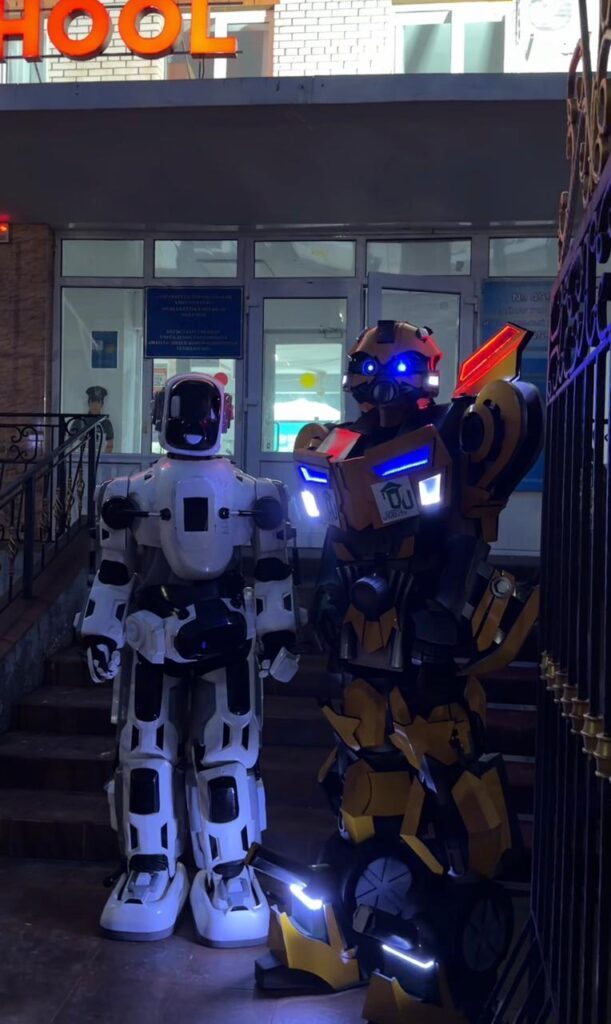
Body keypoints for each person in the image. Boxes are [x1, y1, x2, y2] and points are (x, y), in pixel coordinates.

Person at [251, 320, 543, 1023]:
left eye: (400, 369)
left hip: (427, 625)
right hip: (359, 627)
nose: (383, 383)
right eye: (371, 368)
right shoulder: (333, 443)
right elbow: (334, 536)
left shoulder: (461, 431)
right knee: (361, 765)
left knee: (445, 761)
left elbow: (468, 530)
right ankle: (346, 940)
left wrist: (446, 610)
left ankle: (452, 942)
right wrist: (325, 605)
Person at [76, 373, 300, 945]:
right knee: (146, 753)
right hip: (153, 636)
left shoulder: (258, 494)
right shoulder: (128, 493)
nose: (195, 422)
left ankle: (229, 872)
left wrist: (278, 634)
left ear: (221, 416)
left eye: (203, 412)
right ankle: (150, 866)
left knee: (227, 758)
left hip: (226, 637)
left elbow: (273, 571)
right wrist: (101, 632)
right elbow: (113, 569)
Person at [85, 385, 114, 453]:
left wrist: (103, 458)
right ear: (89, 403)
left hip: (101, 457)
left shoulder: (106, 423)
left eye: (98, 402)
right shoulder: (80, 421)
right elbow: (71, 445)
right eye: (93, 402)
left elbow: (110, 445)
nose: (95, 406)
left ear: (102, 405)